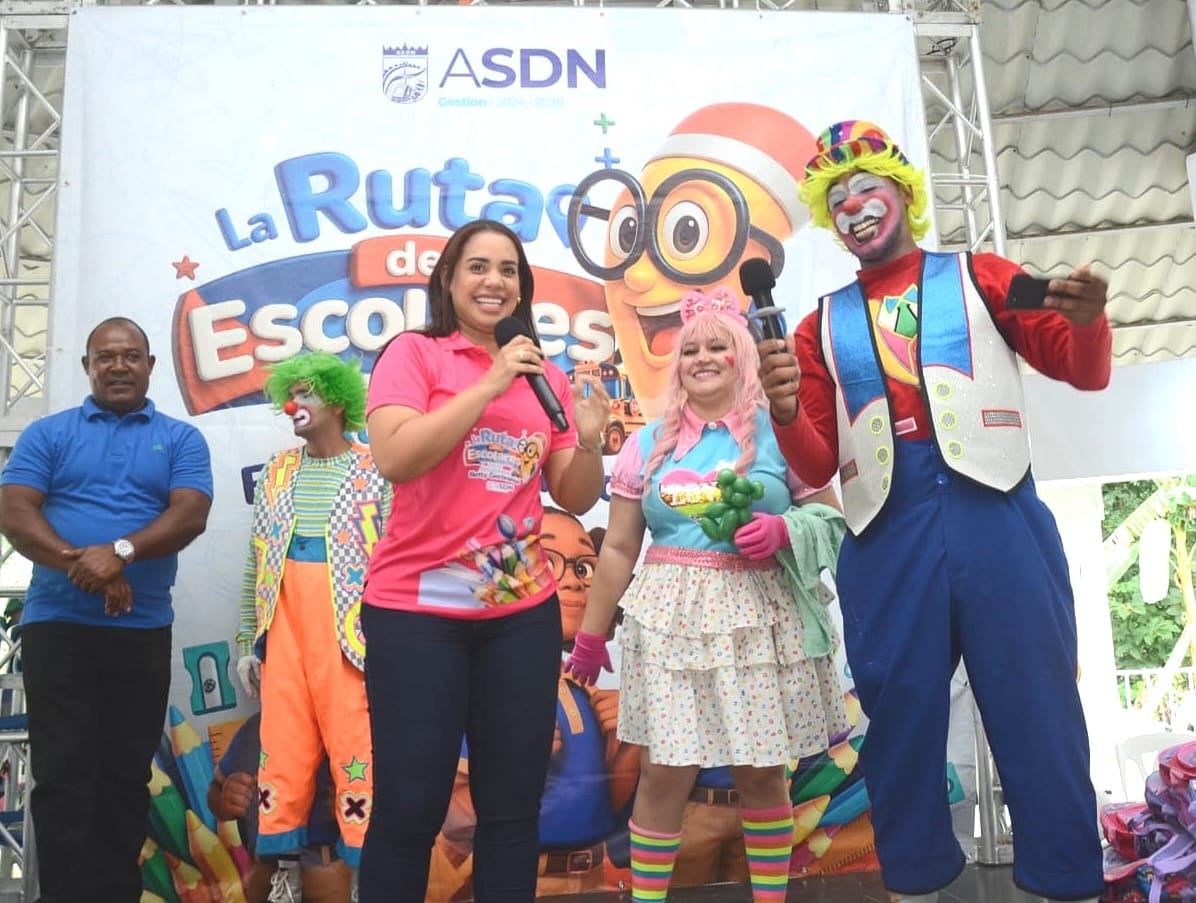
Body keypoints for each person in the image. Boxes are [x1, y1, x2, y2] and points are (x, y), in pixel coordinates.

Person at [758, 120, 1111, 903]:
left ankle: (1067, 879)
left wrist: (1088, 320)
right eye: (837, 200)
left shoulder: (987, 274)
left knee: (1039, 705)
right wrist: (783, 410)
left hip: (1000, 516)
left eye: (867, 189)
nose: (854, 208)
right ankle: (915, 883)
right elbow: (813, 464)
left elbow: (1079, 367)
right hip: (887, 532)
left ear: (904, 192)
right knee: (899, 721)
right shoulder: (818, 325)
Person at [564, 288, 849, 903]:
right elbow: (618, 549)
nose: (703, 358)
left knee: (762, 774)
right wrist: (589, 637)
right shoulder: (646, 445)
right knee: (663, 773)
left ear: (742, 355)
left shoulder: (781, 434)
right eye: (691, 350)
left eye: (718, 347)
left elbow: (832, 520)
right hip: (669, 622)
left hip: (758, 621)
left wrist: (784, 530)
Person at [359, 218, 612, 903]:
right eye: (478, 266)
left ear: (522, 287)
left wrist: (590, 442)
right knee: (410, 809)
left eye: (508, 270)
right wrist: (491, 379)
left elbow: (573, 493)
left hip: (518, 617)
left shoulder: (545, 374)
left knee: (512, 809)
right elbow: (395, 457)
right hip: (417, 615)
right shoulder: (415, 354)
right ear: (448, 278)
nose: (494, 281)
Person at [0, 317, 213, 903]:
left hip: (140, 632)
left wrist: (119, 553)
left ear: (150, 365)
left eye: (131, 356)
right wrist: (87, 567)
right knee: (64, 774)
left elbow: (190, 514)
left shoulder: (180, 439)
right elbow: (14, 511)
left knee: (124, 776)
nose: (119, 366)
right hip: (58, 629)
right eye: (106, 357)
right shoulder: (48, 433)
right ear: (87, 366)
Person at [234, 351, 392, 903]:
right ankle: (282, 864)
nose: (292, 404)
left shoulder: (376, 469)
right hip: (284, 624)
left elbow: (395, 559)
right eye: (290, 393)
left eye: (306, 393)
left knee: (355, 741)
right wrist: (246, 640)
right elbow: (257, 559)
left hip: (351, 630)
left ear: (339, 402)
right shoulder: (278, 470)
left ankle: (366, 872)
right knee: (282, 744)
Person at [207, 712, 352, 903]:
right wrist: (225, 801)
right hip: (264, 869)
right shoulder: (254, 729)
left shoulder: (349, 728)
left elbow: (384, 809)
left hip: (327, 870)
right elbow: (216, 789)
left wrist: (359, 802)